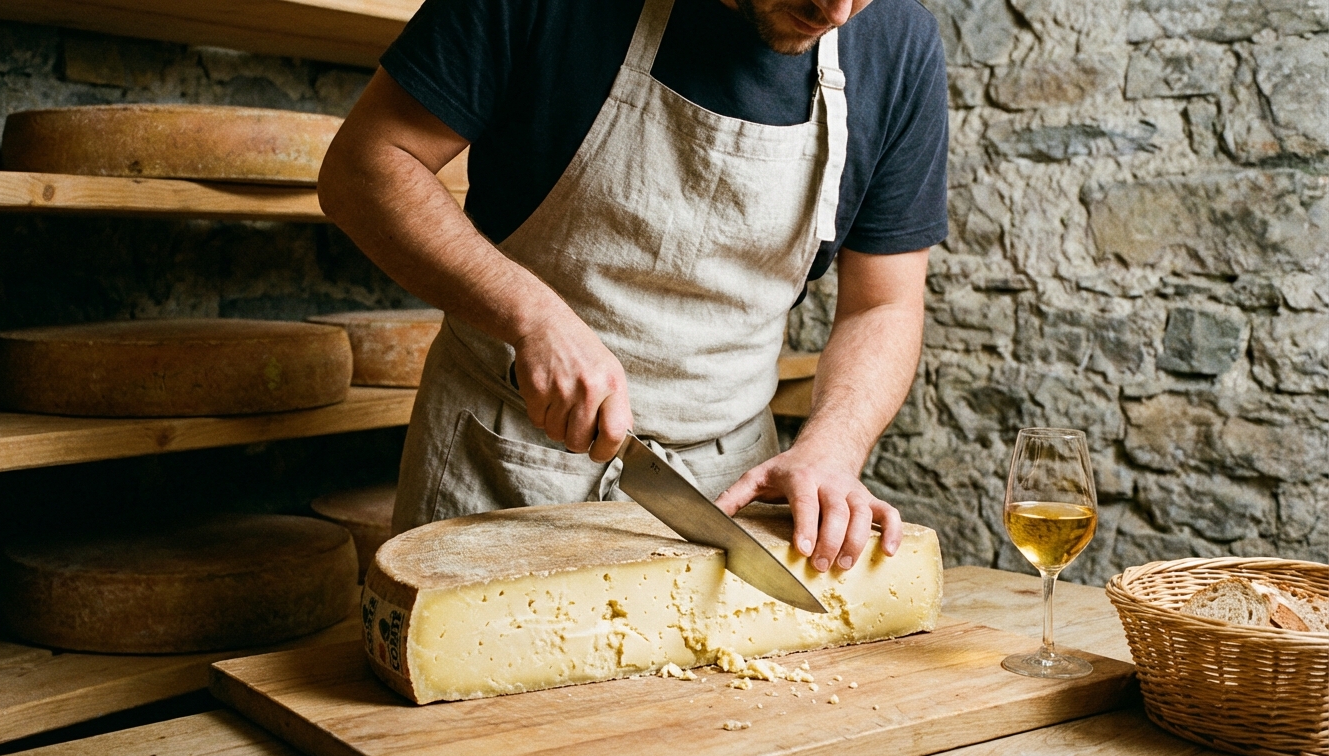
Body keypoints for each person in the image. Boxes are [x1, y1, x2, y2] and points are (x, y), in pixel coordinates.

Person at [319, 0, 948, 574]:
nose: (835, 11)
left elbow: (882, 304)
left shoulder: (899, 42)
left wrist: (832, 448)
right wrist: (532, 316)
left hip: (727, 491)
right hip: (507, 463)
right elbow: (366, 166)